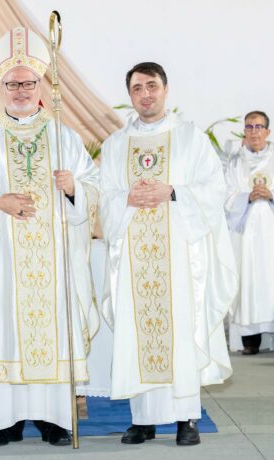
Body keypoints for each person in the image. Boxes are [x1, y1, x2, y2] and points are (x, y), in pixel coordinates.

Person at [0, 26, 100, 448]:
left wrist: (74, 189)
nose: (21, 90)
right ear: (1, 86)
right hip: (3, 259)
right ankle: (4, 421)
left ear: (41, 85)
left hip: (54, 261)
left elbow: (93, 190)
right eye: (13, 83)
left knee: (51, 332)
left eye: (28, 82)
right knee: (6, 330)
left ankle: (53, 420)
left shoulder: (64, 136)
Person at [99, 62, 237, 446]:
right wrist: (126, 199)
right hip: (133, 258)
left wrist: (172, 191)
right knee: (137, 332)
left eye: (152, 86)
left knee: (180, 331)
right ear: (130, 95)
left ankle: (186, 418)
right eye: (137, 88)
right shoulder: (115, 145)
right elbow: (105, 199)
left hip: (179, 256)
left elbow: (214, 189)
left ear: (165, 89)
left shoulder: (191, 138)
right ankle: (143, 420)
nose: (145, 94)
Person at [224, 110, 274, 355]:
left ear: (268, 131)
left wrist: (271, 195)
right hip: (244, 237)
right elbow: (226, 195)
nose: (254, 132)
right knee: (248, 282)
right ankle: (250, 340)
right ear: (244, 131)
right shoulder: (235, 163)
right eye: (249, 127)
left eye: (258, 127)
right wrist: (248, 197)